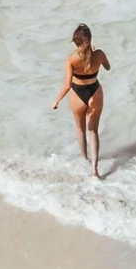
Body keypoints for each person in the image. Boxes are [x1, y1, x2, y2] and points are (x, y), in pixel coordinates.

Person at [51, 23, 109, 178]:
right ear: (90, 38)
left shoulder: (71, 59)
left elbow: (68, 84)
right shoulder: (99, 54)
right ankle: (95, 170)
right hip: (95, 91)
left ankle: (84, 160)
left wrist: (57, 100)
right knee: (93, 131)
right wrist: (96, 54)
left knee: (80, 129)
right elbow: (108, 67)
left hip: (78, 93)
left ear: (75, 42)